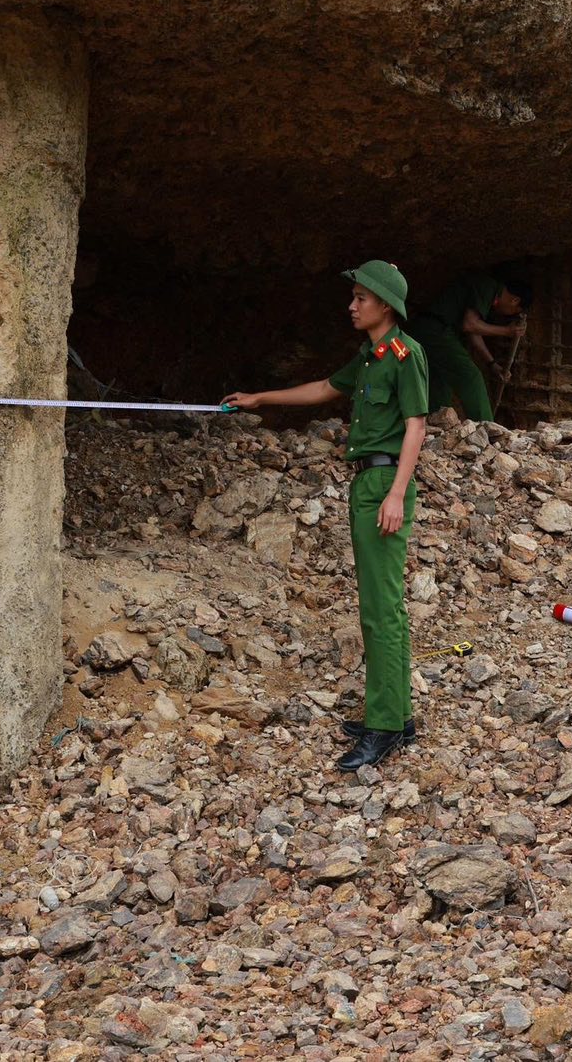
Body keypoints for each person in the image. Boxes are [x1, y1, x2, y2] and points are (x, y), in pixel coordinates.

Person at [226, 262, 429, 769]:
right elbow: (321, 389)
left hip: (384, 482)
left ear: (385, 305)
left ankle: (383, 729)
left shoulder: (406, 354)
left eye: (362, 297)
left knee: (381, 611)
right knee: (383, 606)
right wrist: (259, 398)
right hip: (367, 481)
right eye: (354, 296)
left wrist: (397, 494)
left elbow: (416, 426)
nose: (352, 305)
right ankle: (396, 715)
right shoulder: (368, 357)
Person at [406, 268, 531, 424]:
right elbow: (470, 325)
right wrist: (507, 331)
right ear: (515, 301)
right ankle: (486, 429)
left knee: (440, 384)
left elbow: (474, 331)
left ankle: (437, 427)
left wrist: (492, 363)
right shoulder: (487, 287)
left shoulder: (488, 291)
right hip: (435, 331)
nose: (507, 314)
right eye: (514, 312)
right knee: (471, 377)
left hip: (423, 331)